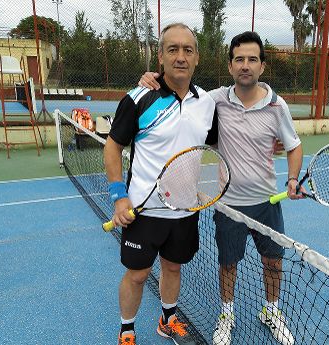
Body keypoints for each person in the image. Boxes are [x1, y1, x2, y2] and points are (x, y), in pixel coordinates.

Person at [139, 31, 304, 345]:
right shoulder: (213, 99)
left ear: (262, 66)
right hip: (227, 204)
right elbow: (181, 93)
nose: (245, 65)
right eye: (239, 59)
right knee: (228, 264)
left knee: (274, 262)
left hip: (267, 202)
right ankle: (226, 315)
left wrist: (292, 180)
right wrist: (153, 78)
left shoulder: (277, 105)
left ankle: (272, 311)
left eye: (252, 59)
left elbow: (294, 147)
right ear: (230, 66)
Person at [104, 23, 218, 345]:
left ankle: (167, 319)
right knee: (138, 275)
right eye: (173, 49)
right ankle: (127, 329)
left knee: (172, 269)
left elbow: (215, 144)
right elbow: (112, 147)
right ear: (161, 56)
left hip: (184, 210)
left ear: (197, 58)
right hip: (143, 211)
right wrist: (119, 197)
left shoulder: (207, 104)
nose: (180, 56)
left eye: (187, 50)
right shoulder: (138, 98)